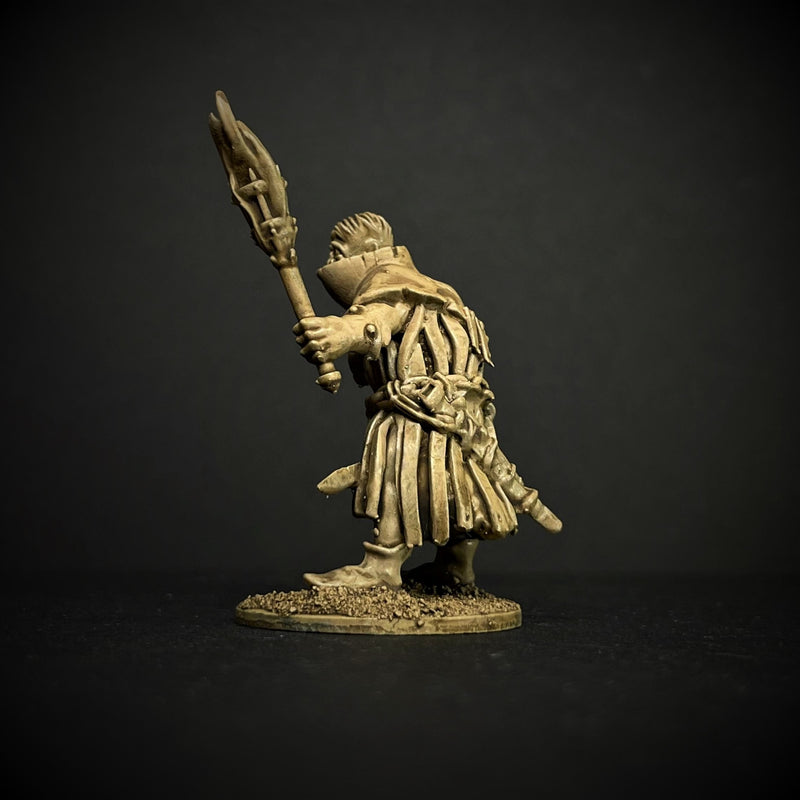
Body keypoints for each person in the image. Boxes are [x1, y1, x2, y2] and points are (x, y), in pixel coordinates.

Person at [291, 212, 561, 590]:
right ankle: (455, 565)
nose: (331, 263)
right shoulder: (444, 294)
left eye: (337, 253)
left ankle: (382, 566)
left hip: (418, 411)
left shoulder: (396, 286)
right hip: (461, 415)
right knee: (456, 482)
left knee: (401, 478)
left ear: (371, 250)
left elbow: (375, 323)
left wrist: (339, 331)